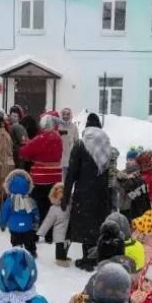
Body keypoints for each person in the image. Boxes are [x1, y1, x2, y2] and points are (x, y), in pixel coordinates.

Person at [63, 122, 114, 271]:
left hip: (84, 191)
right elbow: (109, 171)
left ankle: (87, 259)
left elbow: (71, 172)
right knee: (97, 225)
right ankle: (95, 256)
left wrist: (66, 195)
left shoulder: (81, 145)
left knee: (86, 226)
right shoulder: (106, 143)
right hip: (102, 192)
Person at [18, 112, 63, 222]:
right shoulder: (58, 138)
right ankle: (50, 232)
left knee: (39, 203)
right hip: (56, 177)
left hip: (41, 177)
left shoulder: (39, 139)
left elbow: (24, 152)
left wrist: (25, 144)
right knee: (52, 203)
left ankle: (39, 226)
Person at [0, 168, 39, 256]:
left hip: (14, 227)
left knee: (15, 240)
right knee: (29, 240)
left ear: (9, 186)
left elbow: (4, 213)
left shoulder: (9, 201)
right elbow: (35, 211)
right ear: (28, 186)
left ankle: (17, 252)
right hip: (28, 226)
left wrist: (2, 223)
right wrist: (36, 221)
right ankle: (32, 251)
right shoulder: (30, 200)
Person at [37, 182, 71, 266]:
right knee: (60, 246)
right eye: (58, 193)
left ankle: (64, 256)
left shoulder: (69, 205)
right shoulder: (54, 208)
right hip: (59, 231)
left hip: (68, 230)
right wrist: (42, 231)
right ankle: (60, 259)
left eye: (62, 192)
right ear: (55, 195)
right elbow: (48, 221)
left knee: (66, 245)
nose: (61, 195)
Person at [59, 108, 80, 181]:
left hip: (69, 157)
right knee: (60, 178)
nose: (65, 116)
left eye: (67, 114)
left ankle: (67, 191)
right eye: (64, 114)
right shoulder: (58, 126)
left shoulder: (74, 127)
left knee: (68, 179)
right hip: (59, 157)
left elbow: (77, 142)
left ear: (70, 115)